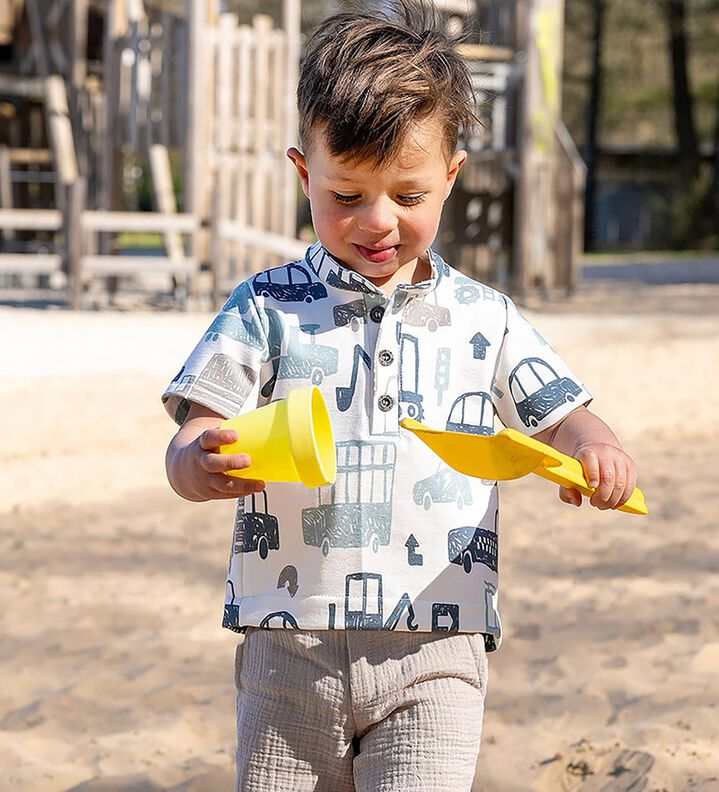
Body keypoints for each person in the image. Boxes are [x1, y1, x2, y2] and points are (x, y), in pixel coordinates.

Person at [163, 1, 638, 789]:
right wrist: (198, 463)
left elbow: (561, 412)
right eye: (345, 195)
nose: (377, 222)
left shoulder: (485, 317)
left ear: (450, 177)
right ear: (303, 172)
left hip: (436, 645)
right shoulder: (265, 306)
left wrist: (594, 446)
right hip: (289, 644)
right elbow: (192, 436)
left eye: (408, 197)